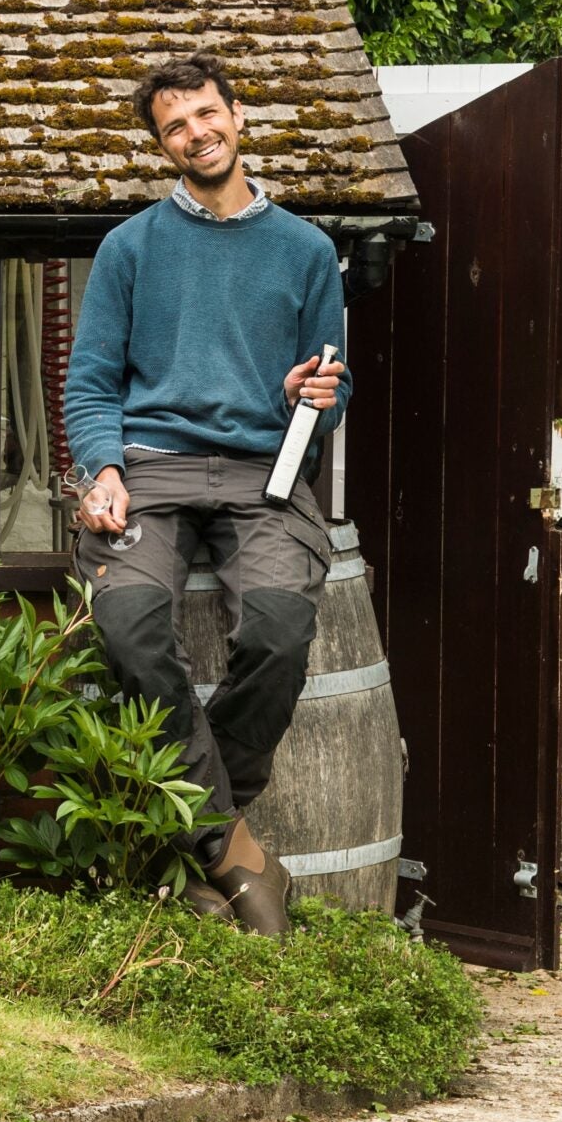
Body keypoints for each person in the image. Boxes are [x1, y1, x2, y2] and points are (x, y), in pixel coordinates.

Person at [63, 53, 348, 938]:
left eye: (206, 114)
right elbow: (89, 384)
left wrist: (316, 395)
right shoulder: (131, 247)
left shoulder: (305, 251)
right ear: (163, 144)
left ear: (236, 115)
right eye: (175, 125)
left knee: (278, 625)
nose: (197, 133)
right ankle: (231, 847)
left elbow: (333, 391)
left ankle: (194, 834)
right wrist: (103, 470)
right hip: (149, 469)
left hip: (264, 476)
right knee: (128, 619)